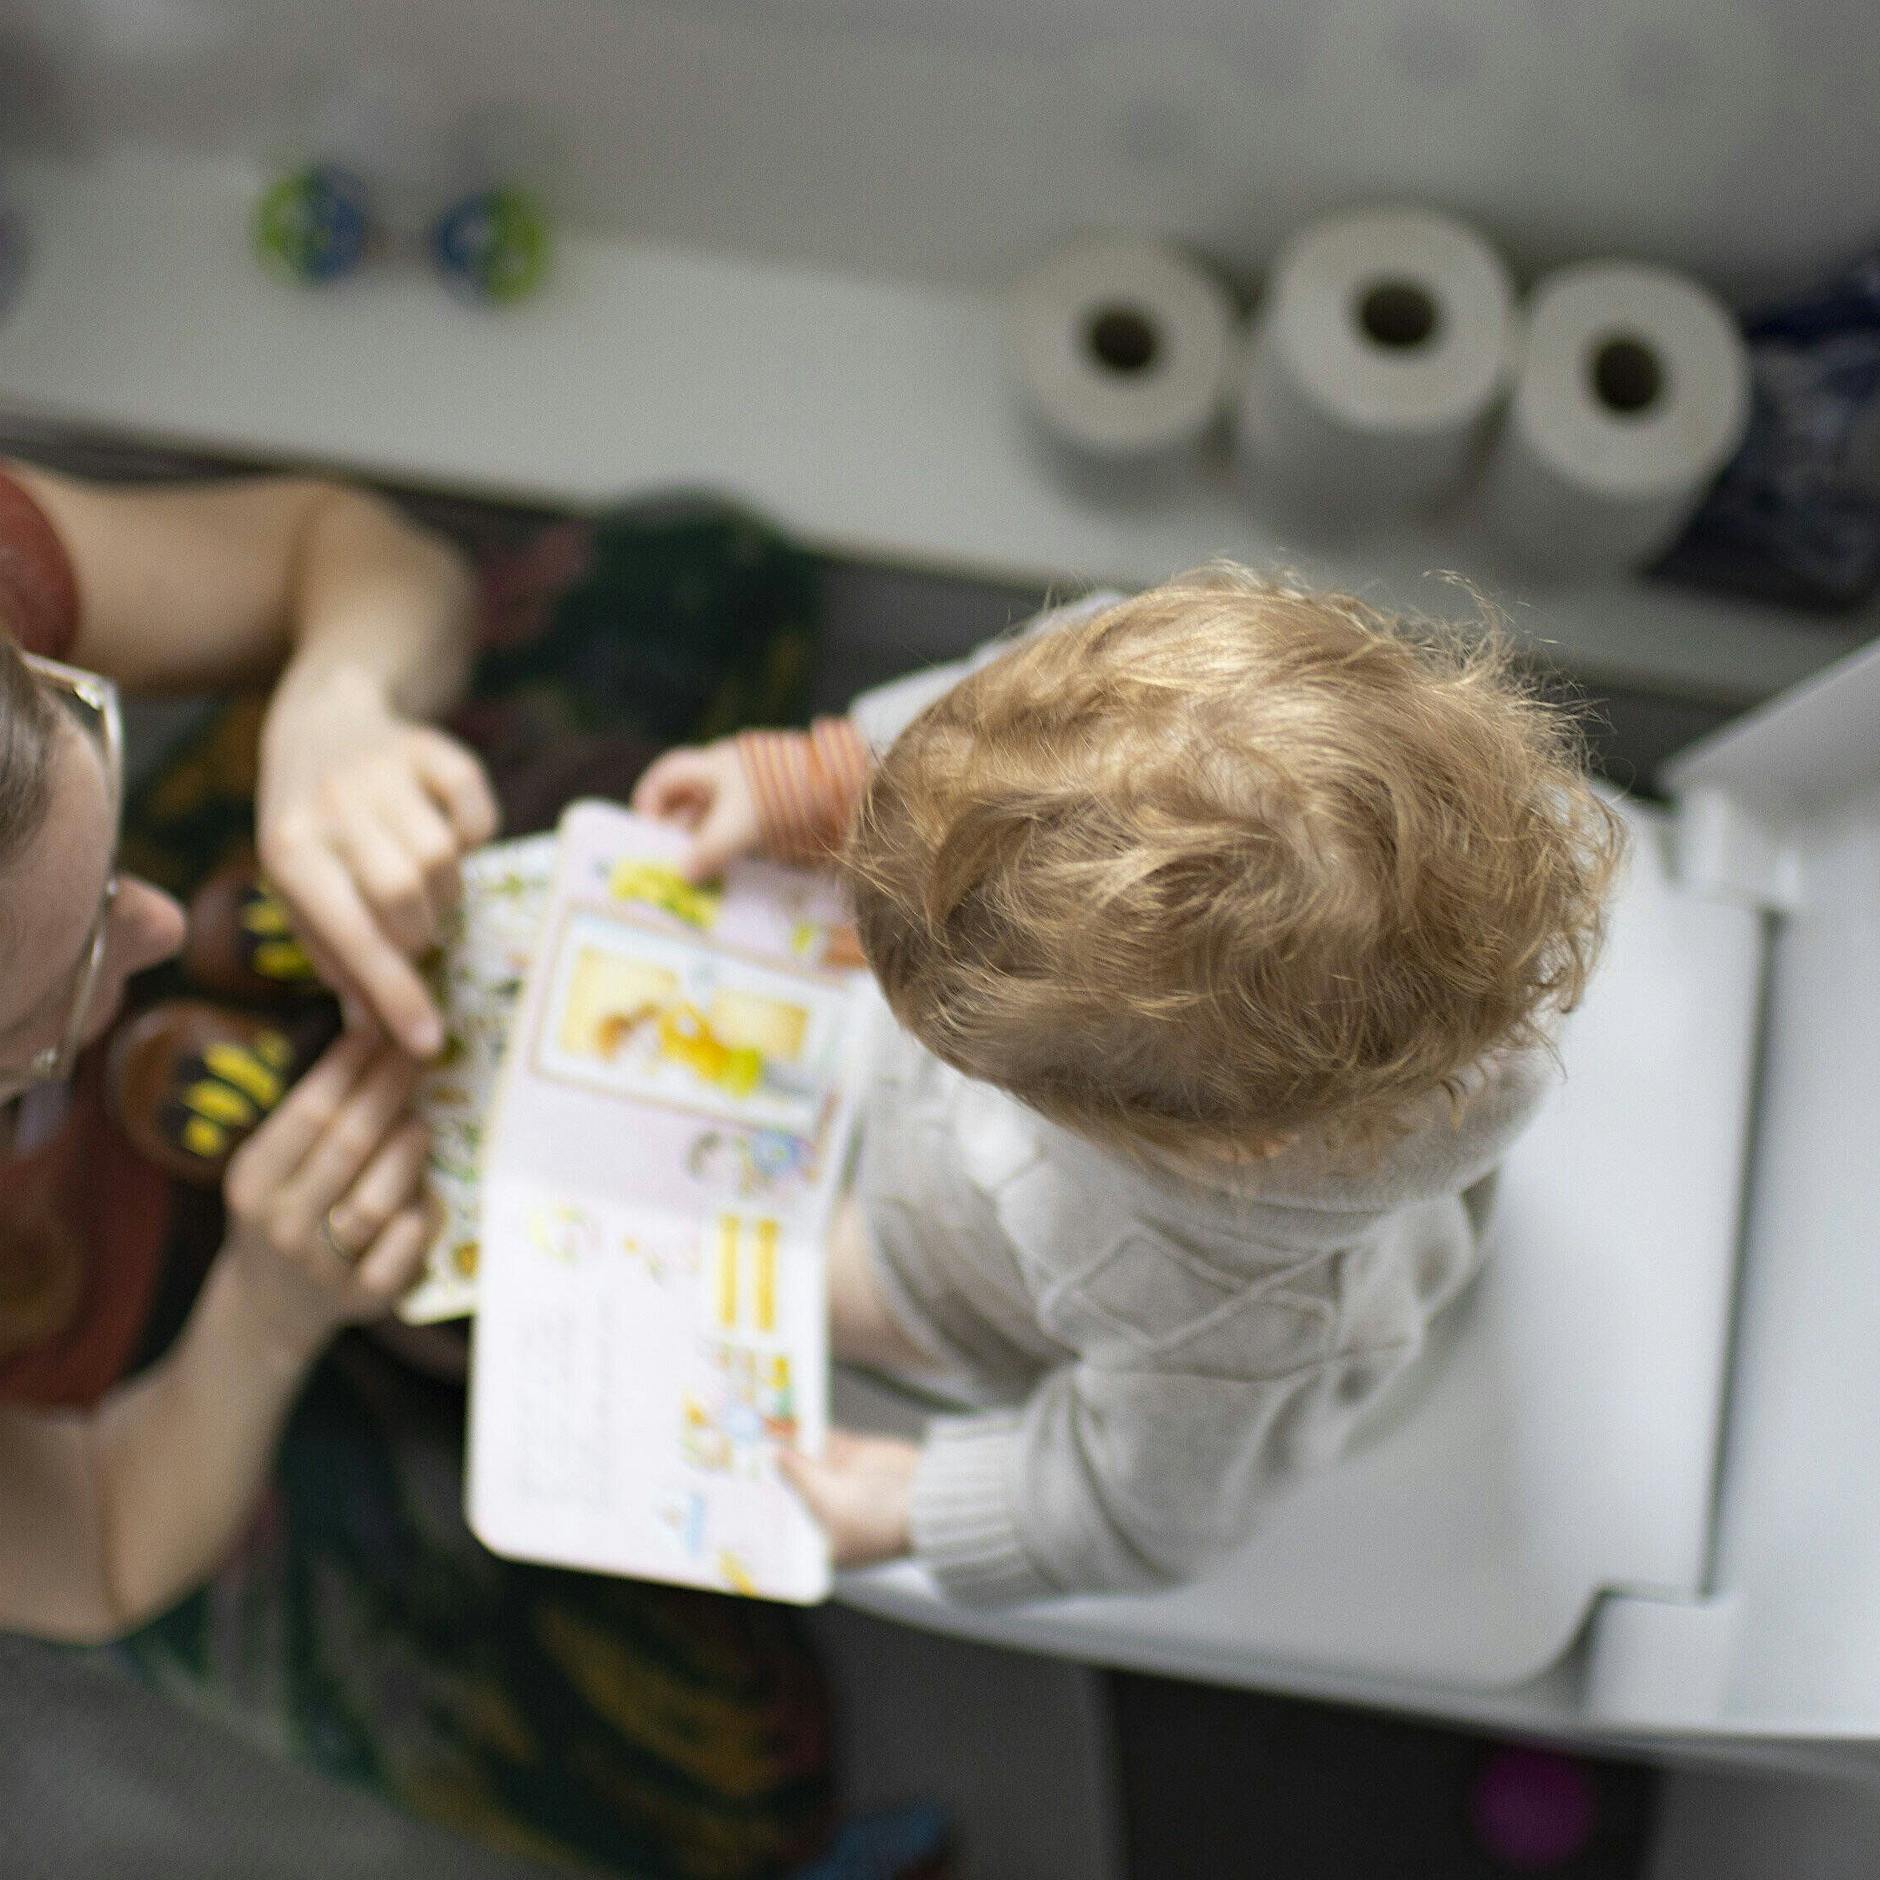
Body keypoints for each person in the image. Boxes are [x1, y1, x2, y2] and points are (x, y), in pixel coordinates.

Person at [0, 462, 835, 1876]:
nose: (146, 931)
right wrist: (267, 1318)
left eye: (104, 837)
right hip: (145, 1382)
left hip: (222, 935)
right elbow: (93, 1549)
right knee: (752, 1783)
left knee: (722, 574)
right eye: (42, 1006)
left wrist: (341, 711)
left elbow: (349, 550)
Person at [633, 565, 1627, 1606]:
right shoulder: (1175, 698)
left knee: (729, 1268)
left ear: (1216, 1145)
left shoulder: (1224, 1310)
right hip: (1045, 1120)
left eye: (973, 1046)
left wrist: (919, 1502)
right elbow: (990, 726)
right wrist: (819, 778)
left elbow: (1141, 1514)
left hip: (964, 1264)